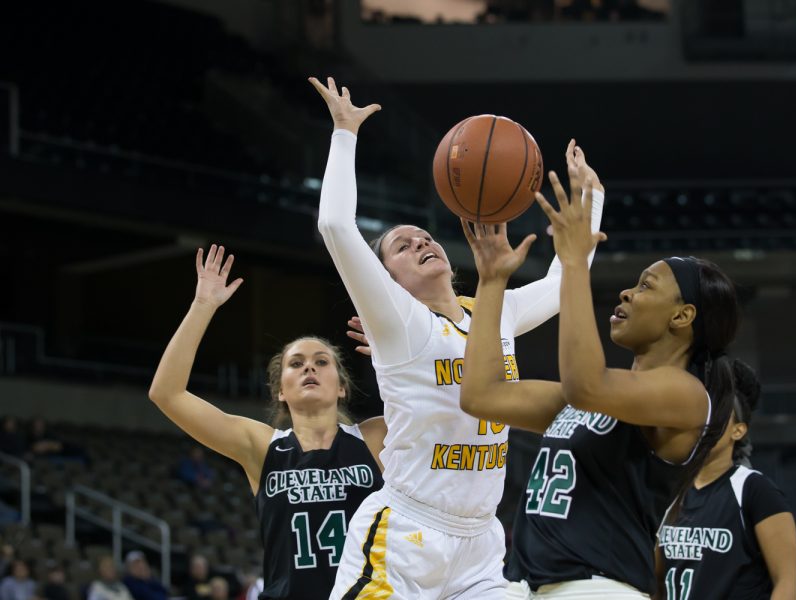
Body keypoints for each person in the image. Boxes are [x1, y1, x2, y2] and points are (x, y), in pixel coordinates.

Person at [310, 75, 604, 600]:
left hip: (481, 546)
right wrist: (344, 133)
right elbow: (335, 225)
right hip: (402, 540)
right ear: (388, 282)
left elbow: (566, 280)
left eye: (424, 236)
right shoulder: (400, 322)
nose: (421, 241)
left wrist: (592, 196)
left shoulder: (495, 314)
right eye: (402, 247)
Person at [458, 164, 741, 598]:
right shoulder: (591, 401)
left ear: (682, 317)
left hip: (601, 588)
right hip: (535, 587)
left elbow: (585, 384)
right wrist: (492, 280)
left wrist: (573, 262)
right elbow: (480, 395)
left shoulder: (687, 394)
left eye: (646, 286)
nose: (627, 293)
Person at [149, 246, 385, 600]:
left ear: (341, 387)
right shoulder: (262, 445)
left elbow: (446, 402)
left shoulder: (376, 437)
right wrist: (203, 306)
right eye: (296, 363)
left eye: (321, 362)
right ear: (280, 392)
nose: (309, 367)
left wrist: (395, 347)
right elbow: (167, 394)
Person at [656, 359, 796, 599]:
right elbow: (655, 582)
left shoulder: (754, 489)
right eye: (700, 415)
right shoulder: (669, 491)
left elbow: (787, 583)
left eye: (718, 417)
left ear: (738, 430)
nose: (705, 424)